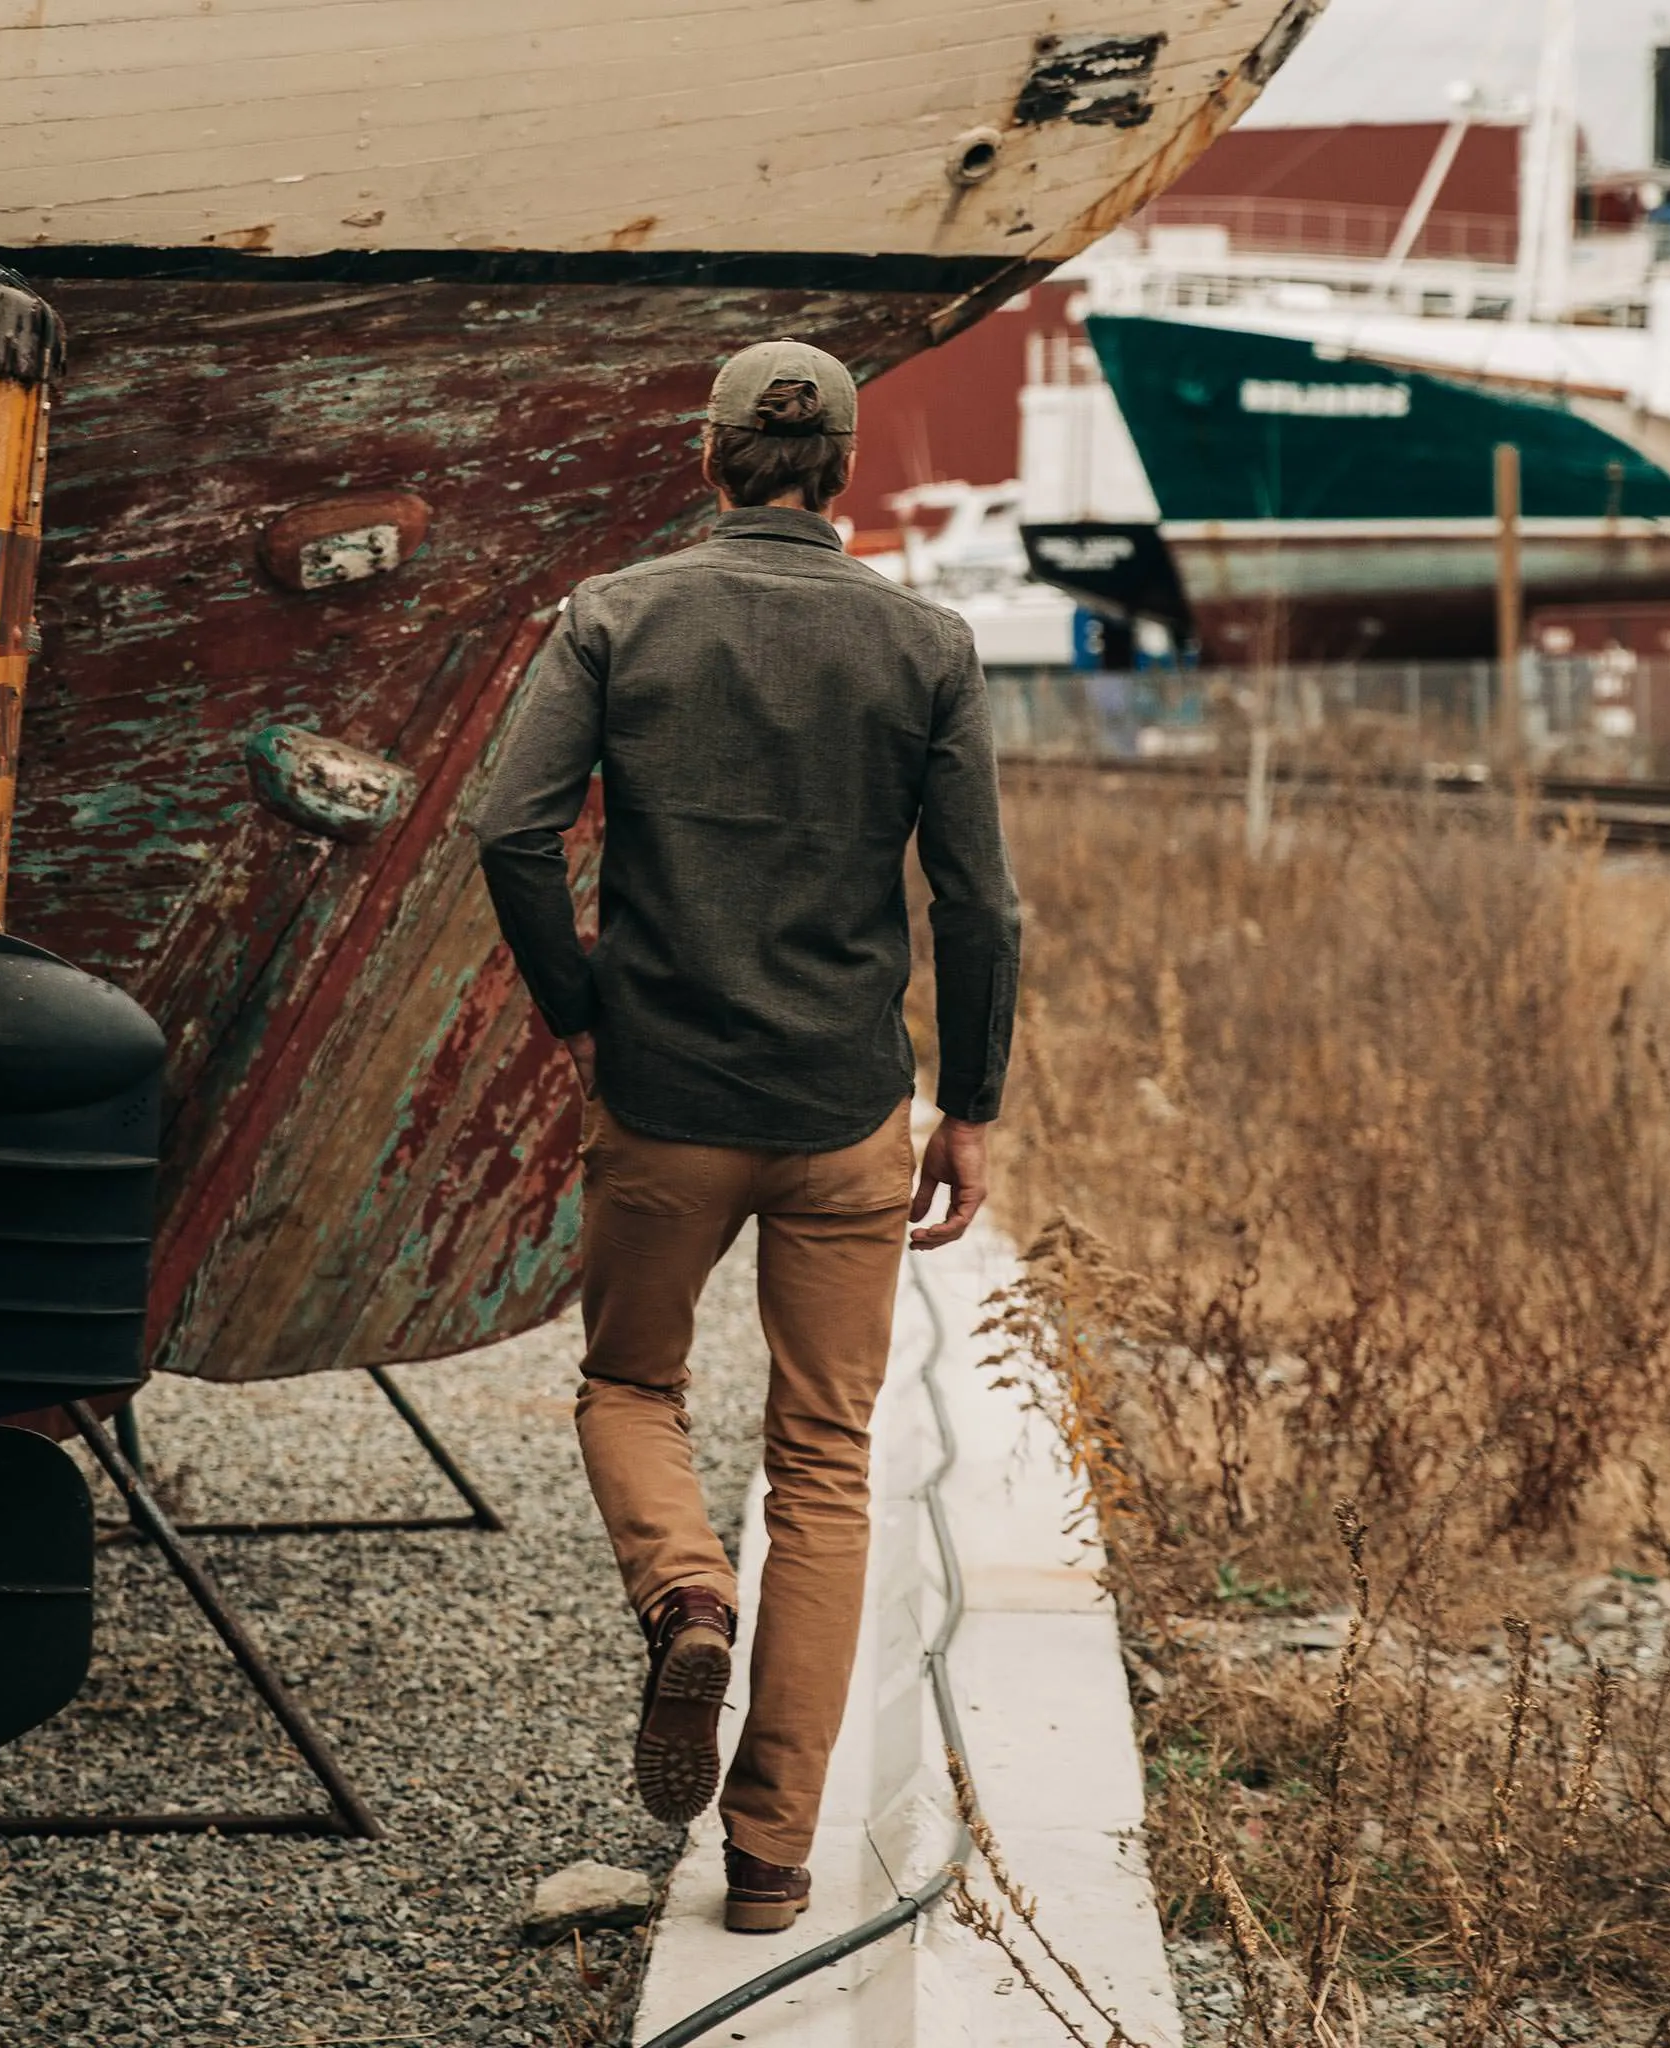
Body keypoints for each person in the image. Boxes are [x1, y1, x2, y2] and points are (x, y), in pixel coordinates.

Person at [470, 338, 1019, 1934]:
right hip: (847, 1114)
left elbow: (509, 827)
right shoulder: (928, 644)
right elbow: (979, 902)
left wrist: (581, 1008)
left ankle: (685, 1592)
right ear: (838, 473)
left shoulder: (619, 616)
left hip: (663, 1100)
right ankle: (772, 1860)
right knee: (826, 1464)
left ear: (708, 461)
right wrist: (968, 1104)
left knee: (631, 1382)